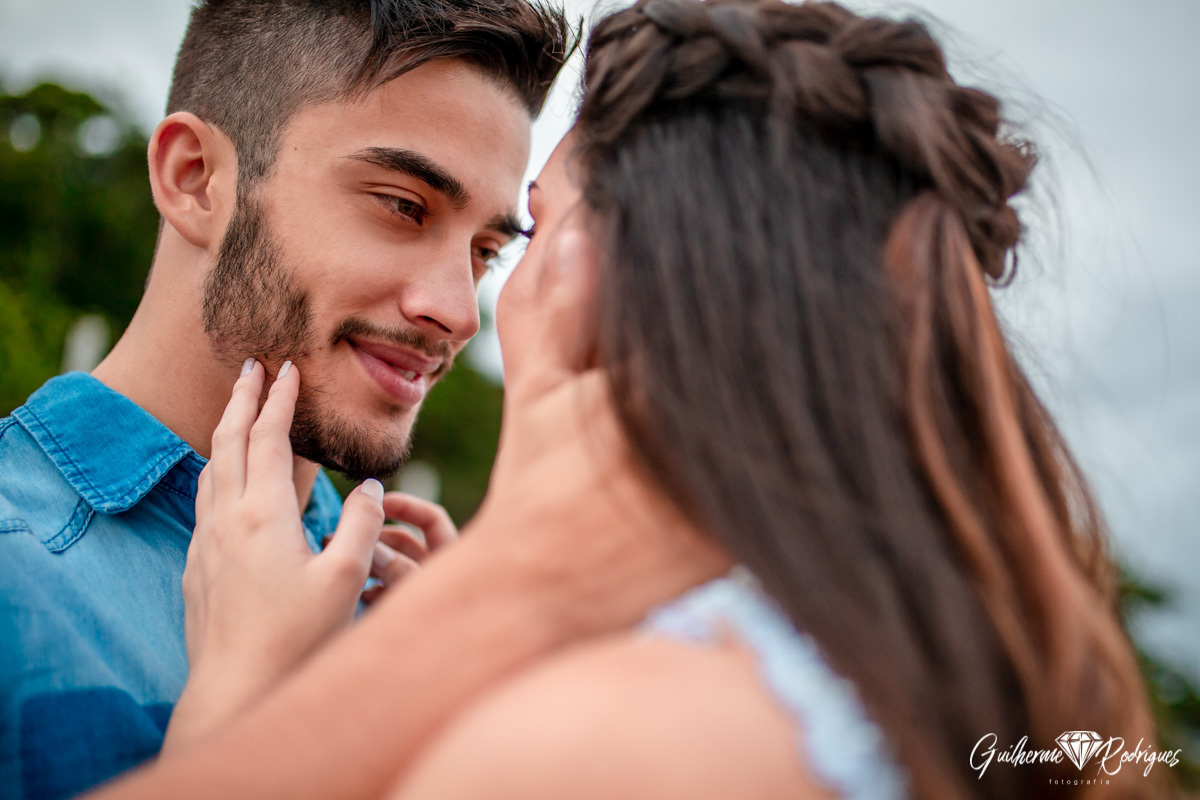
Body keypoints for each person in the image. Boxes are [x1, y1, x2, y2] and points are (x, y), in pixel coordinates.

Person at [90, 0, 1170, 798]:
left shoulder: (593, 737)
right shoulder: (938, 653)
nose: (461, 308)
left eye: (510, 237)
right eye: (400, 204)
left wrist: (239, 711)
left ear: (591, 268)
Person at [0, 0, 570, 794]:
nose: (458, 310)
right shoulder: (15, 580)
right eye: (404, 206)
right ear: (194, 180)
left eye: (483, 251)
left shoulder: (407, 623)